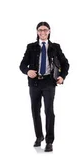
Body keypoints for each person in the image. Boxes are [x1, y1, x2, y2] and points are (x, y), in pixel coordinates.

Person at [19, 22, 69, 152]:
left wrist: (62, 76)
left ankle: (49, 141)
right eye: (40, 30)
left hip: (49, 82)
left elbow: (65, 63)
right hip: (34, 83)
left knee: (49, 111)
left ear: (49, 31)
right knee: (35, 111)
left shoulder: (55, 47)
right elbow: (22, 64)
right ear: (37, 32)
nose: (42, 32)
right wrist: (27, 71)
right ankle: (39, 136)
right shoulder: (31, 47)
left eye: (45, 30)